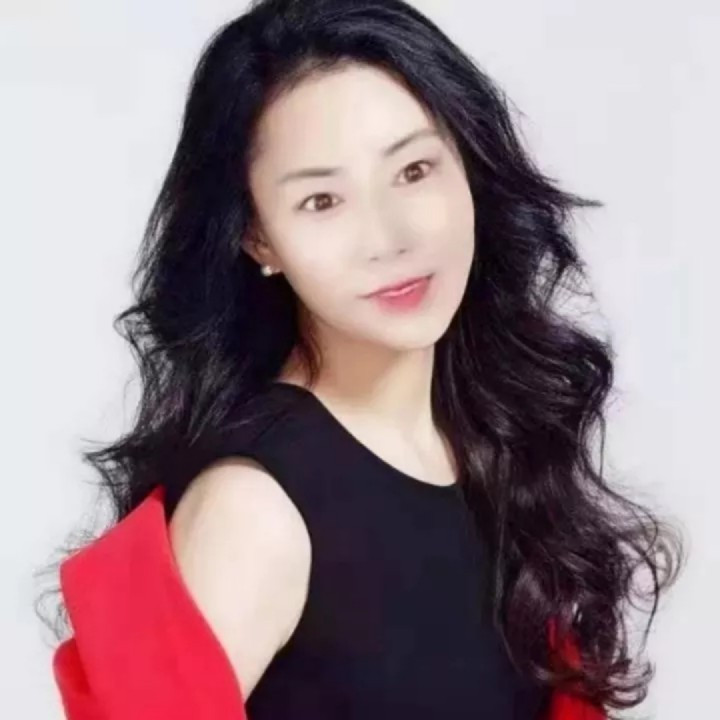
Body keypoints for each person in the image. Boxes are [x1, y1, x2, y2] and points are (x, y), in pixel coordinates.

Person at [39, 1, 684, 718]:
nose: (389, 237)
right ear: (258, 238)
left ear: (468, 165)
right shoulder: (254, 512)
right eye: (322, 200)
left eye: (413, 170)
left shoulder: (492, 438)